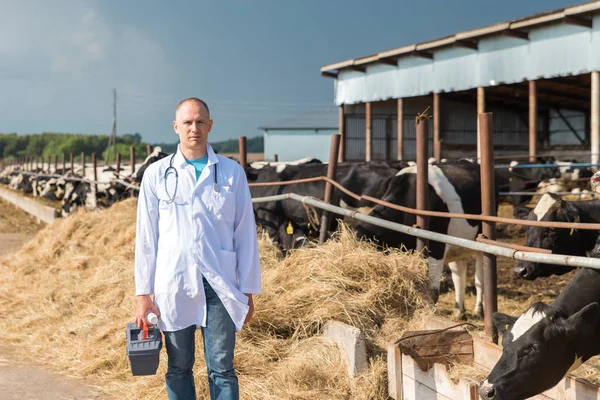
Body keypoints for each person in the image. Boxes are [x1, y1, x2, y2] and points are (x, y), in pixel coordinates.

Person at [134, 97, 262, 400]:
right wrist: (143, 296)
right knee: (179, 366)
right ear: (176, 127)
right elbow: (146, 239)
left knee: (222, 367)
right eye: (188, 122)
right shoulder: (156, 174)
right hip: (173, 281)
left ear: (210, 126)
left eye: (200, 122)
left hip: (221, 282)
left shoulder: (231, 173)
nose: (195, 128)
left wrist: (249, 290)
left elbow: (244, 233)